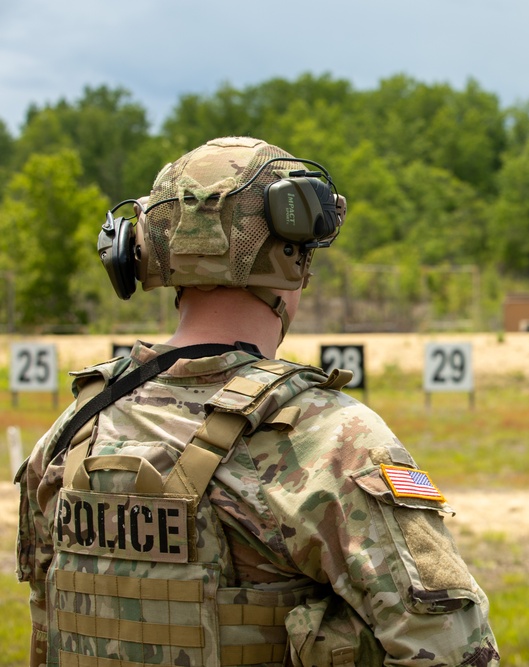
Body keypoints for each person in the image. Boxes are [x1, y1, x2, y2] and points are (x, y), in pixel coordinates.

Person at [15, 136, 500, 667]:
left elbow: (47, 625)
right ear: (290, 260)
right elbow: (456, 649)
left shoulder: (74, 432)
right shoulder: (329, 440)